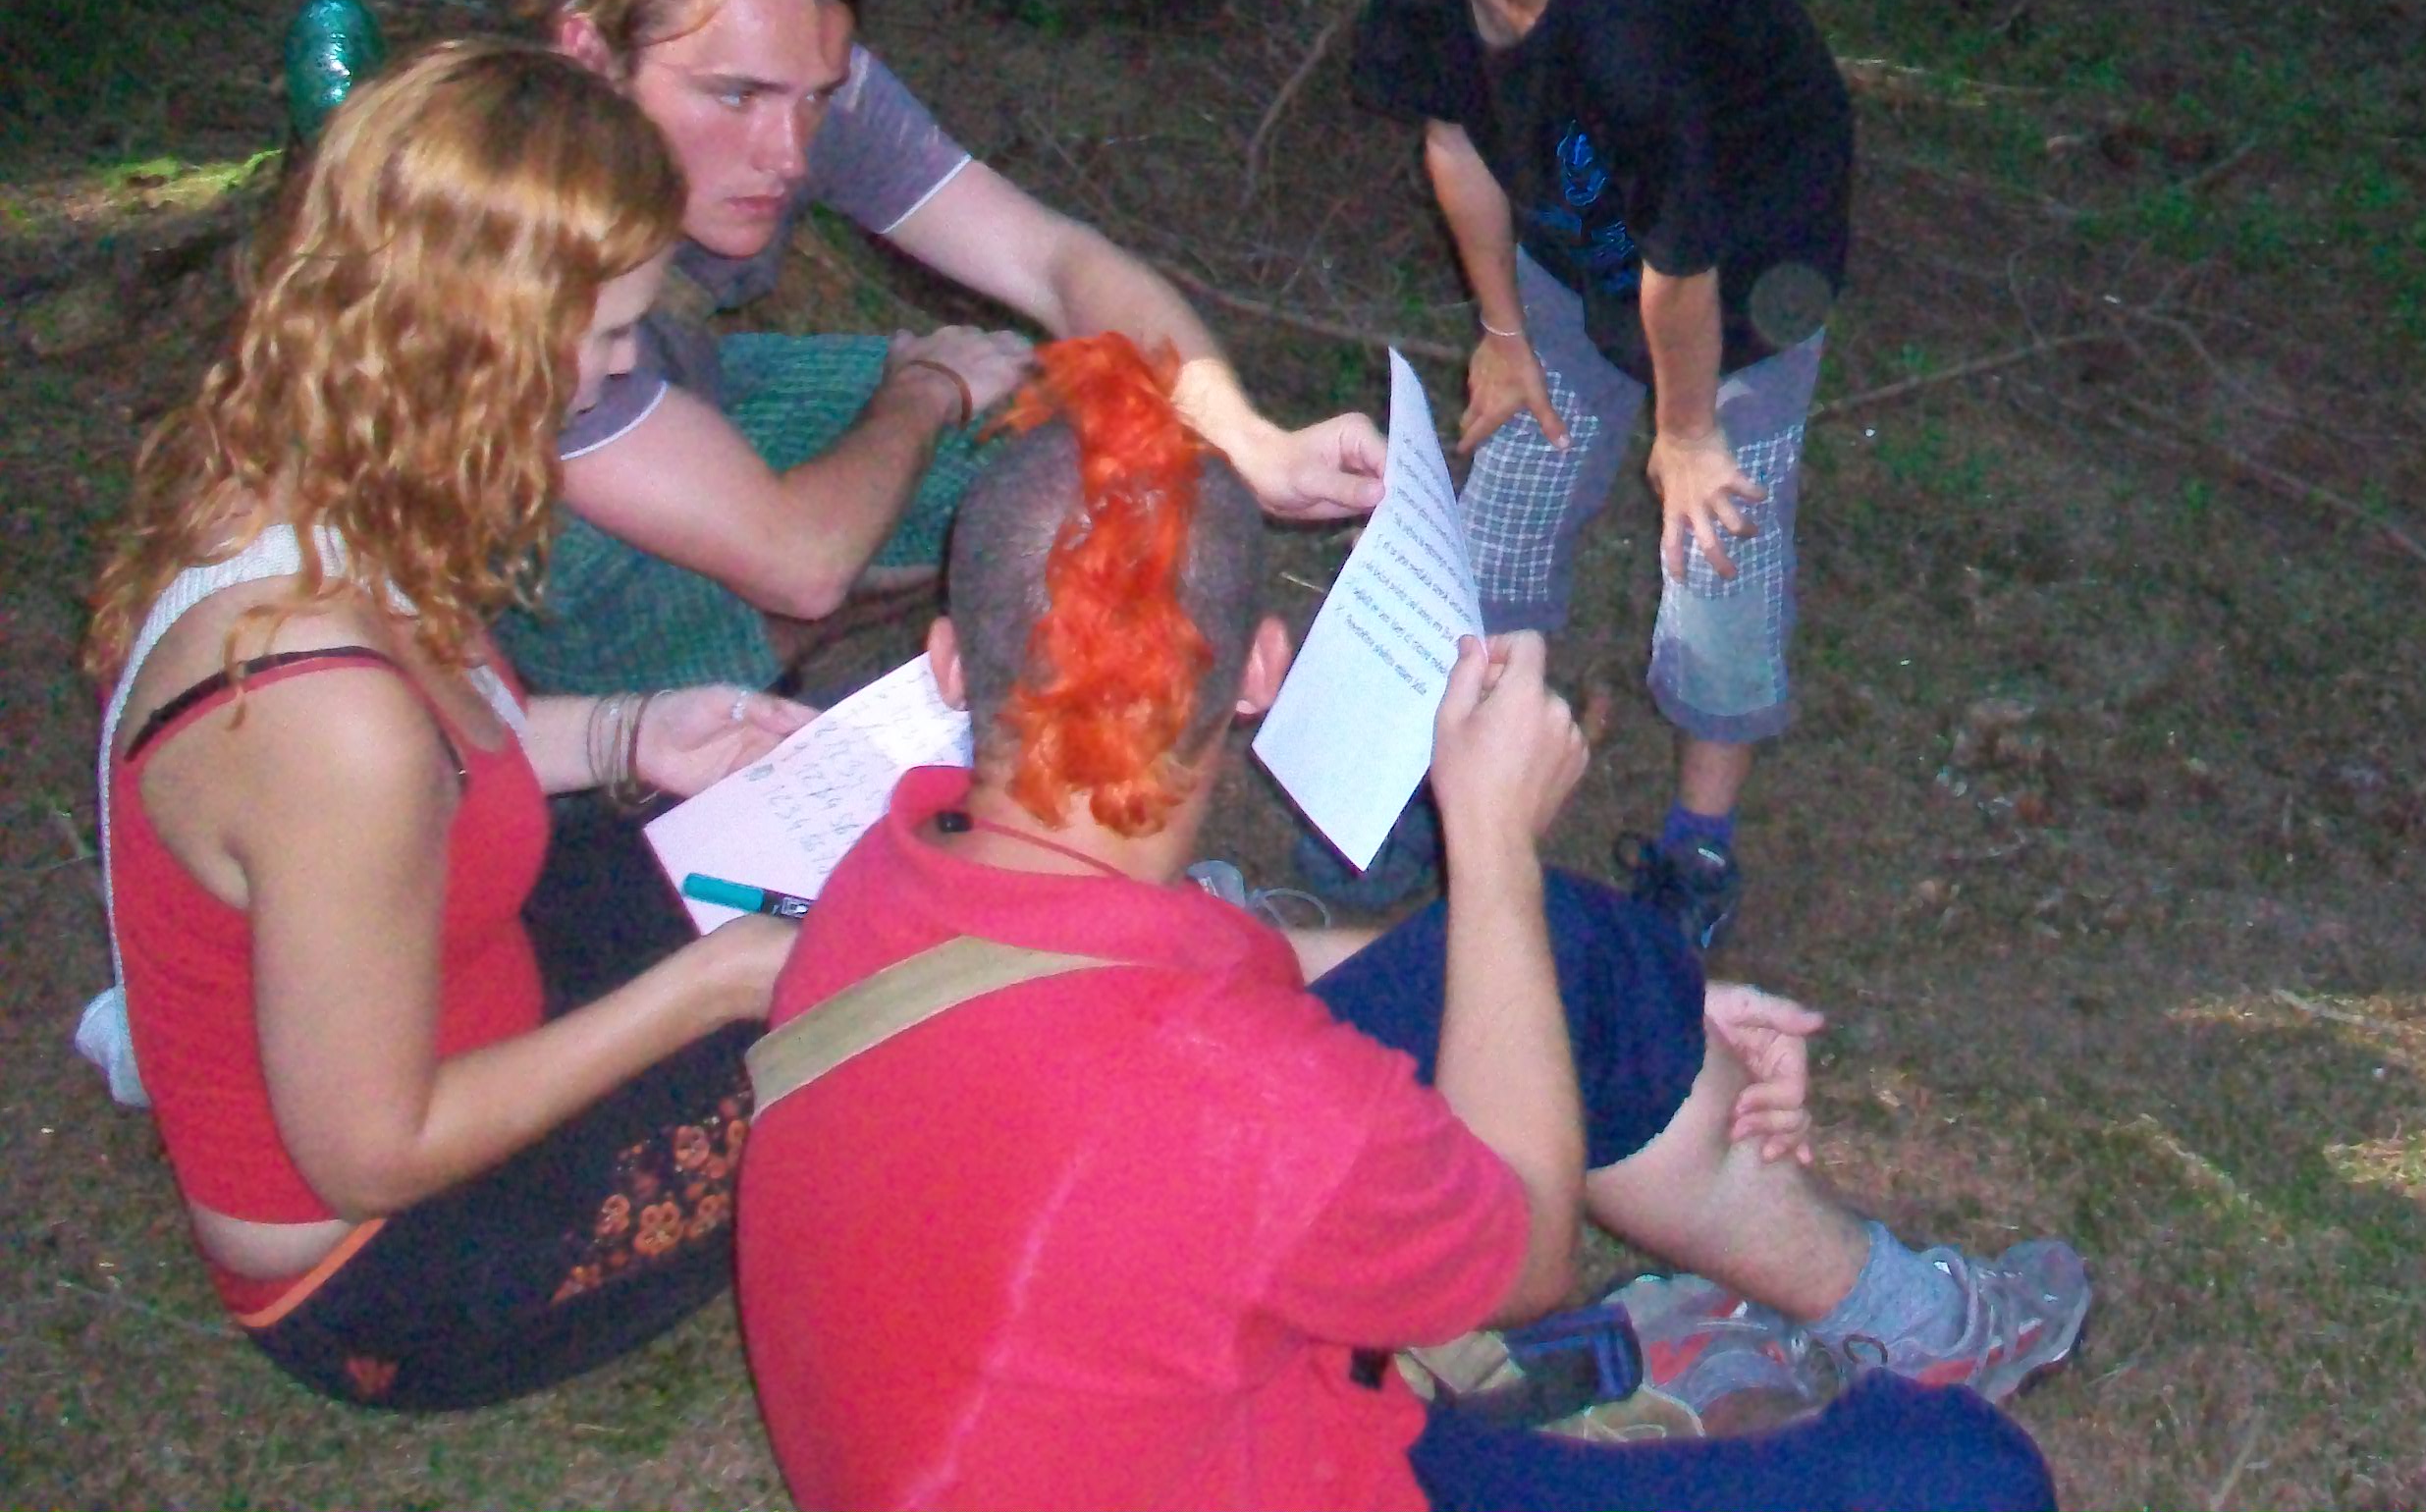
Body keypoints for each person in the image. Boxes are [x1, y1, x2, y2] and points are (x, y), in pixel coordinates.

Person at [733, 335, 2082, 1512]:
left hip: (1079, 1415)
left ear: (949, 662)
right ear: (1260, 671)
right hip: (1276, 1460)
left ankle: (1817, 1314)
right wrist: (1489, 848)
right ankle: (1664, 1369)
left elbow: (1211, 962)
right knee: (1965, 1477)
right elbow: (1529, 1246)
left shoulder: (884, 883)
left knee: (1558, 949)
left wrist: (1562, 960)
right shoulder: (1249, 1095)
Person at [81, 41, 813, 1408]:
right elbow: (372, 1153)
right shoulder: (321, 708)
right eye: (604, 338)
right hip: (391, 1261)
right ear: (480, 339)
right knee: (875, 1021)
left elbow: (443, 760)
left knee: (792, 862)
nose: (615, 375)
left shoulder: (308, 475)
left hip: (454, 992)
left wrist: (631, 734)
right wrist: (707, 990)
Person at [497, 0, 1386, 700]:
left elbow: (1058, 262)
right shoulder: (517, 240)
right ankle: (646, 702)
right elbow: (801, 566)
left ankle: (805, 615)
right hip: (525, 541)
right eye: (736, 96)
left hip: (685, 393)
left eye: (817, 97)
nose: (788, 153)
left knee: (1061, 422)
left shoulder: (795, 76)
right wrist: (922, 395)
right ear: (590, 53)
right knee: (795, 561)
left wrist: (1248, 441)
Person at [1284, 0, 1858, 952]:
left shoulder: (1643, 19)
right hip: (1573, 232)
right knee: (1505, 505)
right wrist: (1505, 338)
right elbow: (1455, 141)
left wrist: (1688, 431)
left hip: (1746, 268)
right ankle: (1468, 777)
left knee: (1717, 543)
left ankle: (1699, 842)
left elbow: (1681, 266)